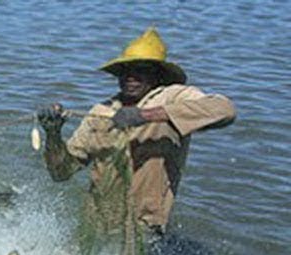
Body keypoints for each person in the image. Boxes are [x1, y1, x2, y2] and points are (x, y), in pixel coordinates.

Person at [37, 27, 235, 240]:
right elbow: (60, 173)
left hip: (142, 226)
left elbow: (224, 110)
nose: (131, 76)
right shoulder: (100, 112)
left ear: (158, 74)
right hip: (95, 225)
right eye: (125, 69)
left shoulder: (173, 97)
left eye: (141, 69)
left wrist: (146, 115)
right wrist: (53, 135)